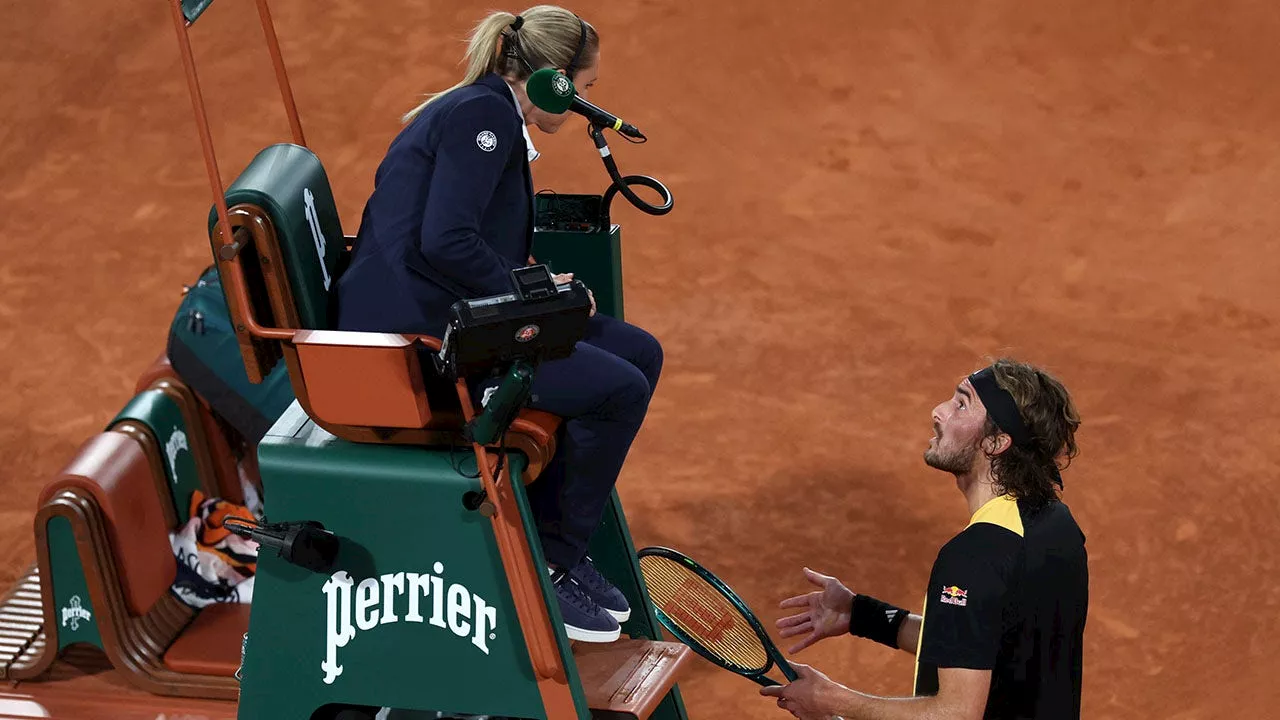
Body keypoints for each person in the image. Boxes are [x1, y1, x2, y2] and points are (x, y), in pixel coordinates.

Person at [334, 6, 661, 644]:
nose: (587, 103)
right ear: (553, 82)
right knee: (617, 389)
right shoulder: (482, 117)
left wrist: (544, 289)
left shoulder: (485, 111)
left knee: (638, 353)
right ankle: (550, 562)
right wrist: (531, 295)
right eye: (585, 89)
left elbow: (469, 239)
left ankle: (557, 539)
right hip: (418, 339)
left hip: (440, 307)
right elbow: (448, 242)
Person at [762, 358, 1088, 719]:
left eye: (961, 404)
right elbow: (977, 643)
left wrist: (831, 700)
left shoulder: (973, 559)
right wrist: (860, 614)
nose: (939, 411)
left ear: (996, 442)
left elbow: (956, 713)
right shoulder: (1056, 525)